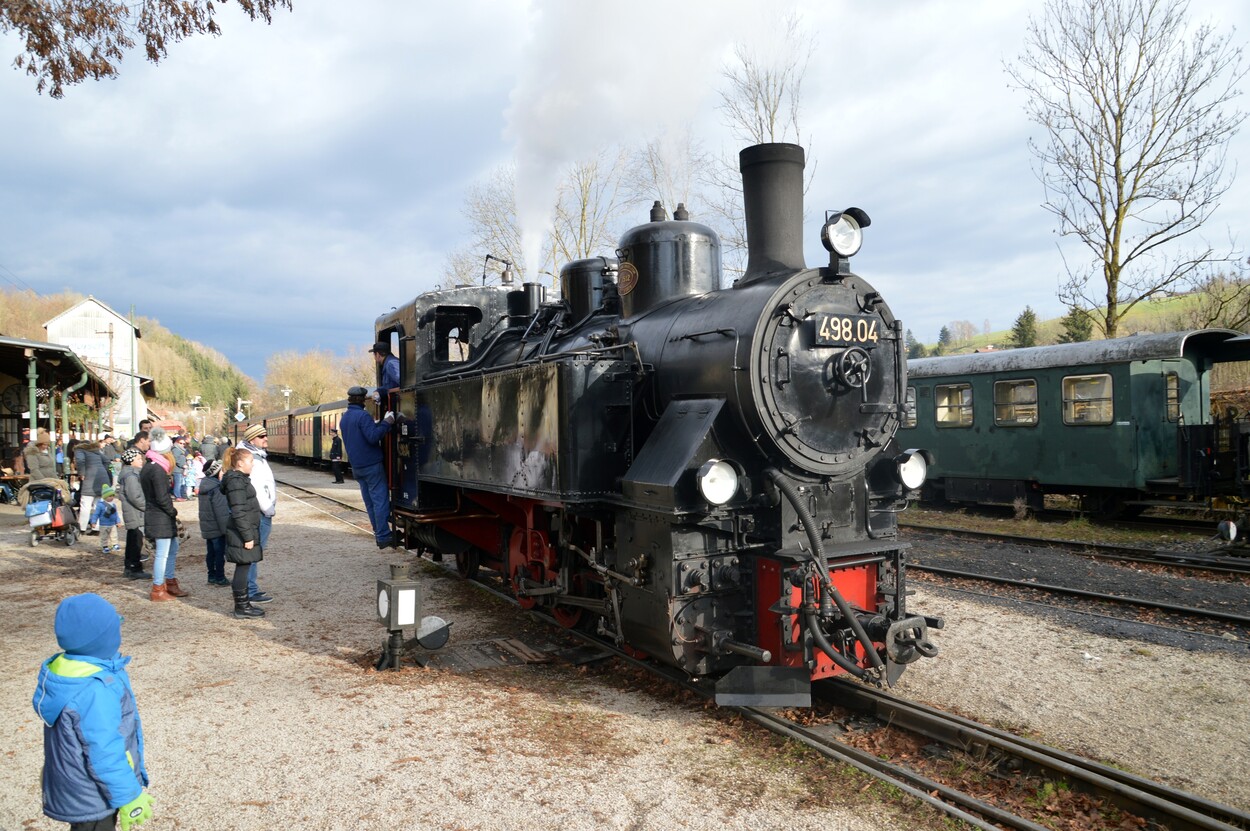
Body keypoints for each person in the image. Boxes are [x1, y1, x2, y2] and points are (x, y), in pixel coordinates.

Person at [32, 593, 154, 831]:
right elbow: (104, 751)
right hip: (93, 795)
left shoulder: (67, 671)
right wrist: (129, 796)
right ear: (104, 639)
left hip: (76, 785)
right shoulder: (95, 690)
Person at [340, 385, 395, 548]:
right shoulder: (363, 415)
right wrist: (386, 422)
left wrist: (374, 425)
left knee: (369, 502)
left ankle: (378, 532)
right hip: (371, 465)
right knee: (380, 500)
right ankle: (384, 535)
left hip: (357, 467)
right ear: (362, 400)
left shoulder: (345, 418)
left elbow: (359, 435)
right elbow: (372, 437)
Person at [141, 431, 187, 601]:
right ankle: (158, 588)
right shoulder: (158, 470)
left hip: (157, 515)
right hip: (160, 516)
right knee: (162, 554)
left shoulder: (149, 467)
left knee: (172, 548)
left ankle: (169, 582)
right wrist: (172, 511)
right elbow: (162, 497)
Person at [220, 446, 265, 618]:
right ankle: (241, 607)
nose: (253, 464)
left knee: (244, 566)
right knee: (243, 567)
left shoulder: (239, 480)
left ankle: (244, 604)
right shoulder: (236, 482)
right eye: (250, 461)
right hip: (242, 532)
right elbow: (238, 511)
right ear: (240, 463)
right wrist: (248, 537)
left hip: (245, 529)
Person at [236, 424, 275, 604]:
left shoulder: (256, 455)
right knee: (252, 553)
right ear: (252, 439)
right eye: (261, 436)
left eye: (265, 435)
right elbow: (257, 488)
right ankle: (250, 591)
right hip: (259, 512)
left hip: (258, 511)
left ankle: (250, 588)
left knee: (252, 553)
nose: (265, 438)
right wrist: (268, 509)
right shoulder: (252, 459)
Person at [117, 448, 150, 581]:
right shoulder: (131, 476)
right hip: (135, 513)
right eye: (138, 459)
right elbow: (135, 497)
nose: (141, 461)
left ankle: (131, 567)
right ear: (131, 461)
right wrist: (147, 507)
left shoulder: (130, 474)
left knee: (133, 540)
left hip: (134, 512)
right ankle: (134, 568)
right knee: (135, 541)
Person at [197, 459, 230, 587]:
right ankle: (220, 577)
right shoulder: (216, 488)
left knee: (210, 553)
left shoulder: (204, 485)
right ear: (216, 472)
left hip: (207, 526)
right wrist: (226, 530)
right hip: (217, 527)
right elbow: (221, 513)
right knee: (219, 554)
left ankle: (211, 576)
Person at [74, 440, 109, 534]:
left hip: (90, 478)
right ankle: (96, 528)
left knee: (85, 504)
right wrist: (102, 470)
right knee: (98, 504)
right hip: (102, 478)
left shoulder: (79, 450)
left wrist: (81, 473)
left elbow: (80, 460)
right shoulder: (96, 451)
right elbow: (106, 460)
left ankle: (82, 528)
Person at [88, 485, 123, 554]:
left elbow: (116, 514)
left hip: (112, 524)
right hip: (103, 524)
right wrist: (93, 522)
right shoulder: (100, 505)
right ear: (105, 497)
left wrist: (118, 521)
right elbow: (96, 514)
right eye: (110, 496)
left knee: (114, 535)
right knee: (104, 536)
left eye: (113, 496)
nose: (111, 497)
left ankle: (115, 544)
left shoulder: (113, 505)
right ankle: (104, 546)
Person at [170, 436, 188, 501]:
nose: (182, 445)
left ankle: (180, 495)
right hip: (177, 469)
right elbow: (176, 459)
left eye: (183, 443)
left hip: (180, 469)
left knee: (180, 483)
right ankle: (177, 496)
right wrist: (182, 465)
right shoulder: (176, 449)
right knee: (178, 484)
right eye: (181, 443)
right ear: (177, 443)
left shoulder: (180, 450)